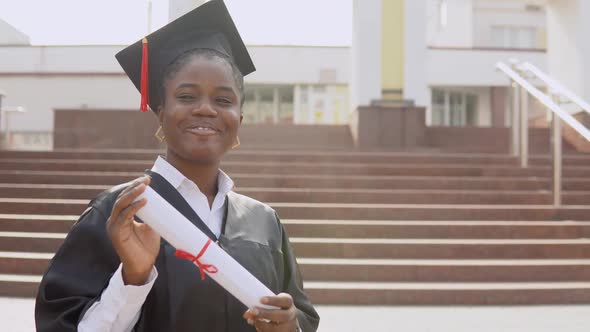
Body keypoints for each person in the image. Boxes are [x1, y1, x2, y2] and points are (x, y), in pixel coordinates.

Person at [34, 1, 320, 331]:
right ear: (161, 112)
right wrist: (133, 277)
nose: (206, 110)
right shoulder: (120, 212)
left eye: (223, 100)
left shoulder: (264, 222)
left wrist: (289, 326)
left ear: (239, 120)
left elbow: (301, 315)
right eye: (186, 96)